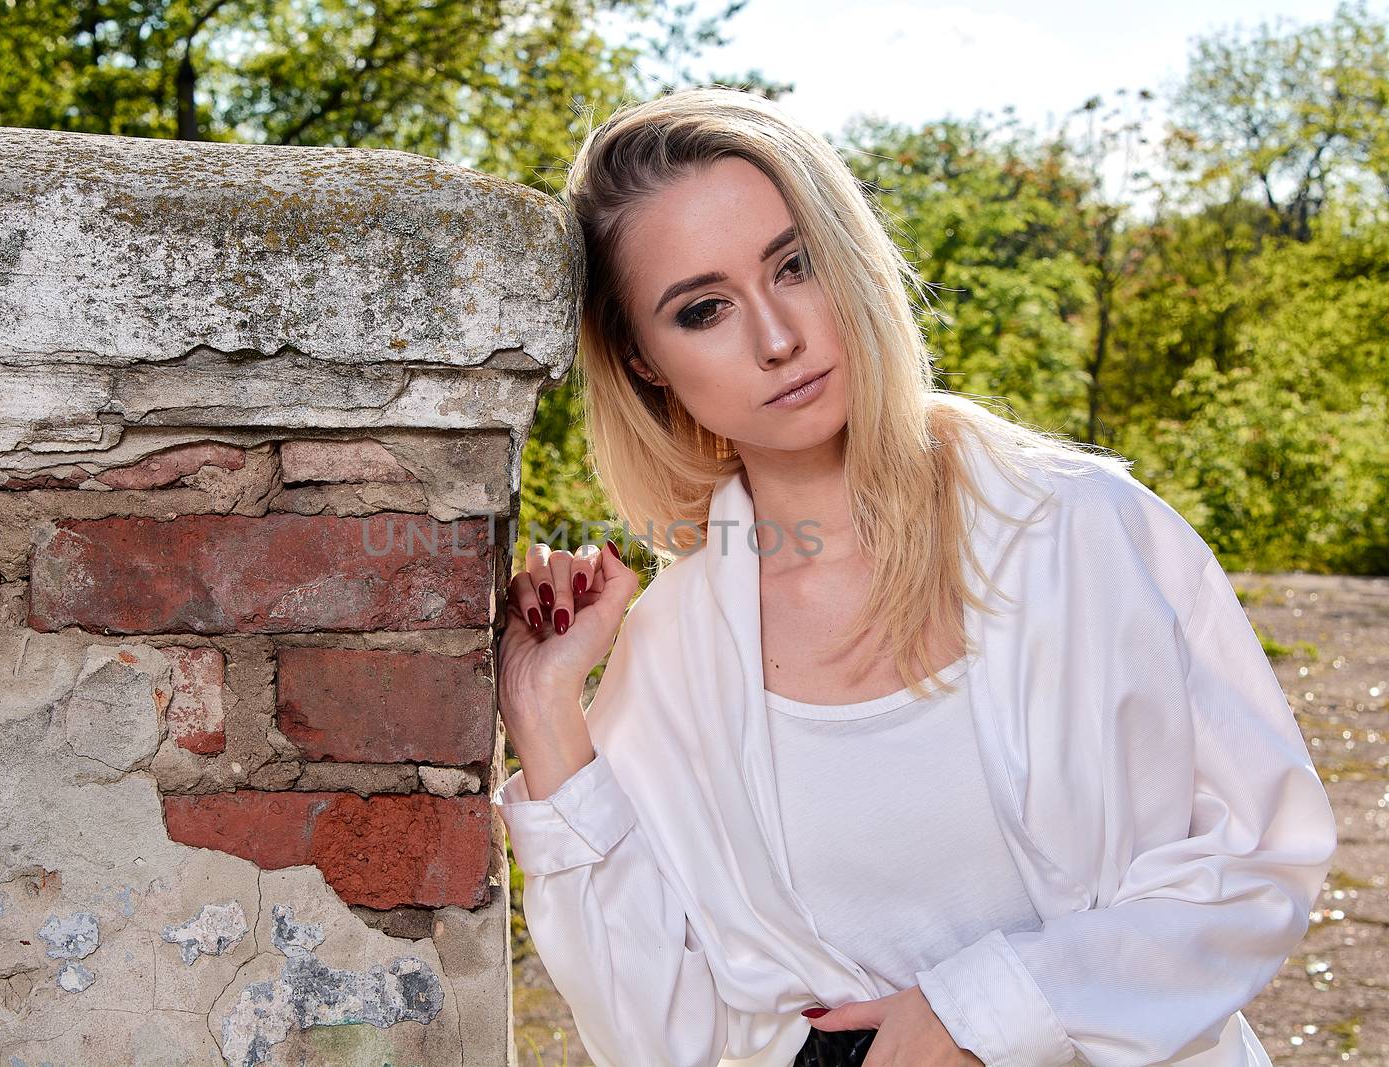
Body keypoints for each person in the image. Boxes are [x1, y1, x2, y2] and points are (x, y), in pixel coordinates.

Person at [492, 85, 1336, 1067]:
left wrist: (989, 1007)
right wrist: (547, 711)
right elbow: (659, 1034)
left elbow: (1259, 859)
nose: (776, 336)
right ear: (643, 361)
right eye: (704, 308)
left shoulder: (1084, 530)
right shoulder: (675, 650)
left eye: (794, 264)